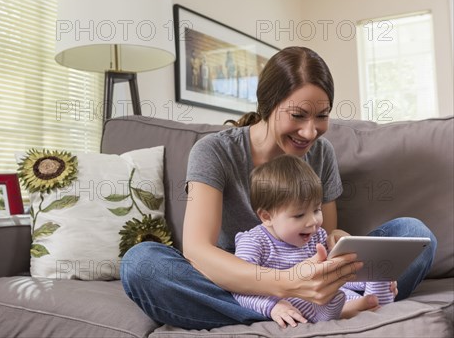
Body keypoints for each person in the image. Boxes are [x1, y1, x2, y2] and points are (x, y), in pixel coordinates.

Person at [120, 46, 437, 330]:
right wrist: (285, 285)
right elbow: (197, 251)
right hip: (238, 281)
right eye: (298, 116)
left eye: (322, 116)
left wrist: (342, 244)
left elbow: (322, 238)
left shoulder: (321, 153)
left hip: (313, 282)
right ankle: (290, 312)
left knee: (415, 233)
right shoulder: (215, 151)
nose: (310, 131)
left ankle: (317, 308)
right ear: (267, 105)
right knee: (141, 264)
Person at [233, 154, 394, 328]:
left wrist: (367, 275)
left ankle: (367, 303)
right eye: (299, 215)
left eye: (317, 209)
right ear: (267, 217)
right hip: (293, 299)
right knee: (297, 299)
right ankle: (344, 311)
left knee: (357, 281)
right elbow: (241, 289)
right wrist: (273, 306)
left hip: (331, 294)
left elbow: (336, 273)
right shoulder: (253, 242)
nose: (313, 222)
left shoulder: (316, 235)